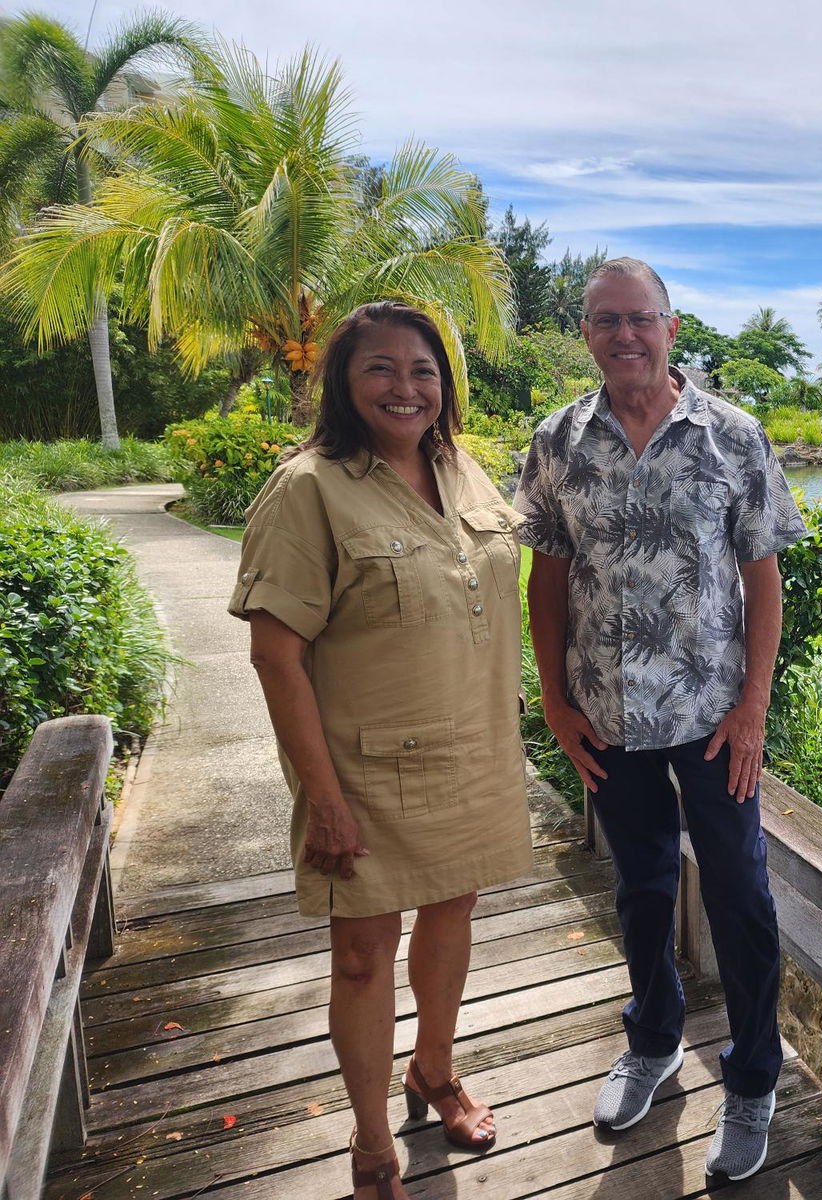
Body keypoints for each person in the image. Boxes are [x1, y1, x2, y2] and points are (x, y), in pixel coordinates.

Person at [229, 302, 534, 1199]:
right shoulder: (309, 488)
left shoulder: (462, 469)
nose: (407, 388)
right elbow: (275, 655)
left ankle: (433, 1072)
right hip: (362, 768)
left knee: (454, 914)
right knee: (361, 954)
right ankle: (369, 1143)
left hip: (474, 749)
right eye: (383, 369)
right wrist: (321, 796)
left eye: (424, 371)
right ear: (344, 382)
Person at [516, 258, 807, 1181]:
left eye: (640, 319)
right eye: (606, 321)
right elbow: (548, 577)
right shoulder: (557, 440)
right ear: (587, 333)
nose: (624, 336)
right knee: (640, 893)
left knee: (743, 899)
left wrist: (754, 706)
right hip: (607, 716)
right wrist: (555, 701)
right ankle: (653, 1041)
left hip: (713, 717)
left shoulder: (733, 436)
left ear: (671, 328)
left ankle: (753, 1080)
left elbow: (764, 579)